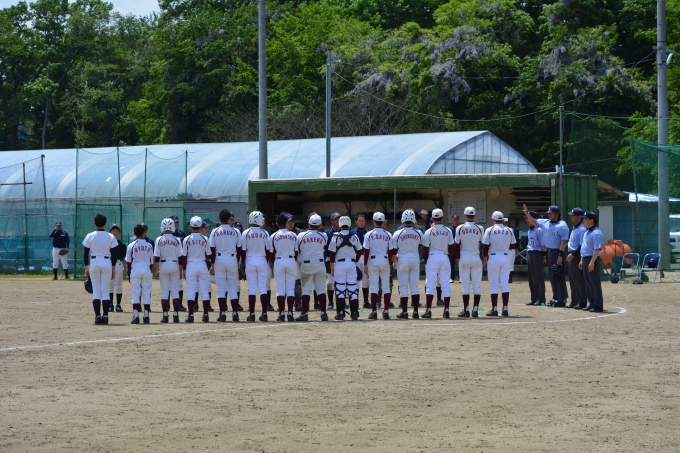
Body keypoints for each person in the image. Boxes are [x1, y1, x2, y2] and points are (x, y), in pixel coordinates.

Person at [523, 204, 569, 307]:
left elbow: (563, 241)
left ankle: (562, 299)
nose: (549, 215)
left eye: (551, 213)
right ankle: (555, 297)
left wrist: (560, 255)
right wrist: (527, 213)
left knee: (558, 275)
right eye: (548, 213)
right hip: (550, 251)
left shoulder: (562, 225)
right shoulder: (546, 222)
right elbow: (534, 222)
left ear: (557, 214)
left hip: (558, 251)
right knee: (552, 276)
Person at [82, 214, 119, 325]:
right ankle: (106, 316)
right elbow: (114, 254)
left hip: (94, 262)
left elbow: (85, 253)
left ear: (94, 223)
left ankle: (98, 316)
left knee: (96, 291)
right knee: (105, 291)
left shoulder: (90, 235)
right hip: (107, 262)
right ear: (105, 224)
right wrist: (113, 268)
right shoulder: (110, 236)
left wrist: (87, 267)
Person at [209, 209, 243, 322]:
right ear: (229, 219)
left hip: (219, 259)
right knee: (233, 288)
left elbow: (212, 249)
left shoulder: (214, 231)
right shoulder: (236, 231)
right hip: (232, 258)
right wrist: (238, 263)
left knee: (221, 289)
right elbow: (239, 249)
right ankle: (235, 313)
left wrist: (212, 264)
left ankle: (222, 313)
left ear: (219, 218)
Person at [328, 216, 363, 320]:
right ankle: (354, 313)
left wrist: (332, 267)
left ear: (340, 224)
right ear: (349, 225)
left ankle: (341, 313)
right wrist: (355, 261)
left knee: (340, 289)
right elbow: (359, 251)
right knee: (352, 288)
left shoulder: (335, 236)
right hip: (351, 263)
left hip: (339, 264)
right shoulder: (354, 236)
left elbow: (332, 253)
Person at [482, 211, 516, 316]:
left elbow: (485, 247)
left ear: (493, 219)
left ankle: (494, 309)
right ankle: (505, 308)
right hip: (505, 257)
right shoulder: (509, 230)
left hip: (493, 257)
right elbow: (512, 246)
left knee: (494, 284)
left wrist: (485, 260)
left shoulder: (489, 230)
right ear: (502, 219)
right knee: (504, 283)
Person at [422, 208, 454, 318]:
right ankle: (446, 310)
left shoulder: (429, 231)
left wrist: (426, 262)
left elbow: (425, 249)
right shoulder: (448, 230)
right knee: (445, 284)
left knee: (430, 285)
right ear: (442, 218)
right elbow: (452, 247)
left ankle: (428, 310)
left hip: (432, 256)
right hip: (444, 256)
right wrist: (446, 256)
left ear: (432, 219)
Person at [296, 214, 329, 321]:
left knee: (306, 290)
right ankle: (323, 313)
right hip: (320, 264)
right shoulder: (324, 235)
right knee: (321, 289)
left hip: (306, 264)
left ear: (308, 223)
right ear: (320, 224)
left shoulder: (301, 235)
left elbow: (297, 250)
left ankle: (304, 313)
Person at [392, 209, 423, 319]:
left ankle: (404, 312)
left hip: (403, 260)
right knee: (414, 287)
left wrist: (395, 262)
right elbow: (421, 244)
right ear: (414, 220)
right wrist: (416, 228)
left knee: (403, 287)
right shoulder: (418, 232)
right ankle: (415, 312)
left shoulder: (397, 233)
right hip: (415, 259)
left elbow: (394, 250)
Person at [241, 211, 272, 322]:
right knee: (263, 288)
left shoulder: (246, 233)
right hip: (262, 260)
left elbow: (243, 251)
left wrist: (243, 265)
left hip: (250, 260)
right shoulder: (265, 233)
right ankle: (264, 313)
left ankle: (252, 314)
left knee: (252, 289)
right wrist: (266, 261)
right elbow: (268, 250)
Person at [362, 212, 393, 319]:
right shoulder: (388, 234)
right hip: (385, 260)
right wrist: (390, 263)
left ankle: (374, 311)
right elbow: (390, 251)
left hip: (373, 261)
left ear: (373, 222)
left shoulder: (369, 234)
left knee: (374, 287)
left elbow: (366, 251)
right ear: (383, 222)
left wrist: (365, 264)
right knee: (386, 287)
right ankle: (386, 311)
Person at [454, 207, 484, 318]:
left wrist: (458, 258)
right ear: (475, 216)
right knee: (477, 286)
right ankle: (475, 310)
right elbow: (482, 243)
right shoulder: (480, 228)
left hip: (464, 257)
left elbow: (457, 245)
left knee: (465, 285)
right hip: (476, 257)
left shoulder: (460, 228)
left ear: (465, 215)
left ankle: (466, 310)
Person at [182, 216, 212, 323]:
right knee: (204, 290)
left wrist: (184, 269)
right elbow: (208, 255)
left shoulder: (186, 239)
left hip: (190, 264)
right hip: (202, 264)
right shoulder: (205, 239)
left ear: (190, 226)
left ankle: (190, 315)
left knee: (191, 291)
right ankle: (206, 314)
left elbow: (184, 256)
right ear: (200, 227)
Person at [154, 218, 184, 323]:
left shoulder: (159, 239)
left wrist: (157, 270)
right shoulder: (177, 240)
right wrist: (181, 270)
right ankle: (175, 315)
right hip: (175, 265)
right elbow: (181, 257)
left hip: (163, 265)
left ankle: (165, 315)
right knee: (175, 292)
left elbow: (156, 257)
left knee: (164, 292)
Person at [270, 214, 298, 322]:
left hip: (279, 260)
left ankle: (281, 313)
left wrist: (273, 263)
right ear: (286, 222)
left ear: (277, 223)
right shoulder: (293, 235)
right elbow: (296, 252)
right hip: (291, 260)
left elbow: (271, 253)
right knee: (290, 289)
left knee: (280, 289)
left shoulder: (273, 236)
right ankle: (290, 313)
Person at [126, 224, 155, 324]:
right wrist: (150, 272)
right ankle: (146, 316)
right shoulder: (149, 245)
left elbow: (128, 262)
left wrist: (129, 273)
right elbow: (152, 262)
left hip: (135, 269)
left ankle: (136, 316)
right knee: (146, 293)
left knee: (135, 293)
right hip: (146, 269)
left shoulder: (131, 245)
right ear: (144, 233)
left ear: (134, 234)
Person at [579, 211, 604, 312]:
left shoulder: (596, 233)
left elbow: (596, 249)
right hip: (585, 258)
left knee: (594, 283)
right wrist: (581, 260)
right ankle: (592, 303)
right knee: (588, 282)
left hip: (592, 258)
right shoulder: (587, 232)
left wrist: (592, 262)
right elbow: (584, 247)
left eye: (585, 219)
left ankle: (598, 305)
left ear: (591, 220)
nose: (583, 221)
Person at [523, 211, 547, 306]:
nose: (527, 221)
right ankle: (534, 298)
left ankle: (541, 298)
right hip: (530, 253)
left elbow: (543, 245)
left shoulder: (539, 230)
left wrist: (544, 256)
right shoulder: (530, 230)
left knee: (538, 277)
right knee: (531, 277)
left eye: (528, 219)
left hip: (537, 253)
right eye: (526, 219)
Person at [566, 207, 588, 309]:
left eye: (573, 215)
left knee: (579, 279)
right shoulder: (575, 227)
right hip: (572, 254)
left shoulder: (582, 229)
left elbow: (582, 245)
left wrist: (573, 254)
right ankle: (574, 300)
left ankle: (582, 301)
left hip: (577, 255)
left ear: (579, 217)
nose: (571, 217)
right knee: (572, 279)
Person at [351, 214, 371, 309]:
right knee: (356, 279)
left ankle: (366, 301)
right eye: (359, 221)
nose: (361, 223)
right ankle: (356, 300)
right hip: (356, 257)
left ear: (365, 221)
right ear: (355, 222)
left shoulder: (368, 232)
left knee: (365, 279)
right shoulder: (352, 233)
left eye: (363, 221)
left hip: (366, 257)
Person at [324, 212, 342, 310]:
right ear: (331, 221)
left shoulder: (344, 231)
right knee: (330, 281)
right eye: (336, 219)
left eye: (339, 219)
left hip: (341, 259)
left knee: (341, 281)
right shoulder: (327, 232)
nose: (338, 221)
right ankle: (330, 302)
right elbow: (325, 247)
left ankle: (340, 301)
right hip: (330, 258)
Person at [170, 215, 187, 312]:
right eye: (173, 222)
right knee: (168, 283)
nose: (175, 224)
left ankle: (179, 304)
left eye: (176, 222)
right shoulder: (164, 234)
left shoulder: (181, 233)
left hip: (179, 260)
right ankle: (167, 305)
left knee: (180, 283)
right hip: (170, 260)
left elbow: (184, 249)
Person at [108, 224, 127, 313]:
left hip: (119, 264)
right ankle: (110, 304)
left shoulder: (122, 245)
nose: (115, 233)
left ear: (119, 233)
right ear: (110, 232)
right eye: (113, 231)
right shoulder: (107, 243)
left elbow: (124, 258)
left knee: (118, 285)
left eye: (116, 231)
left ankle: (118, 305)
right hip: (109, 264)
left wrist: (125, 269)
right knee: (110, 285)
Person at [503, 218, 516, 283]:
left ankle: (510, 278)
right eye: (504, 222)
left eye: (506, 222)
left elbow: (516, 240)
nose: (505, 224)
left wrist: (516, 248)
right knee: (503, 263)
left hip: (510, 249)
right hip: (503, 249)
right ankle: (504, 277)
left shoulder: (512, 230)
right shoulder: (500, 230)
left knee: (510, 263)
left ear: (508, 223)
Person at [449, 214, 460, 283]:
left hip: (459, 247)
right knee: (451, 263)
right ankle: (451, 277)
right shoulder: (450, 229)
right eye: (454, 219)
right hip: (452, 248)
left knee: (460, 263)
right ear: (452, 220)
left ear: (458, 220)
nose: (455, 221)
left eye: (456, 219)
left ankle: (461, 277)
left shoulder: (461, 228)